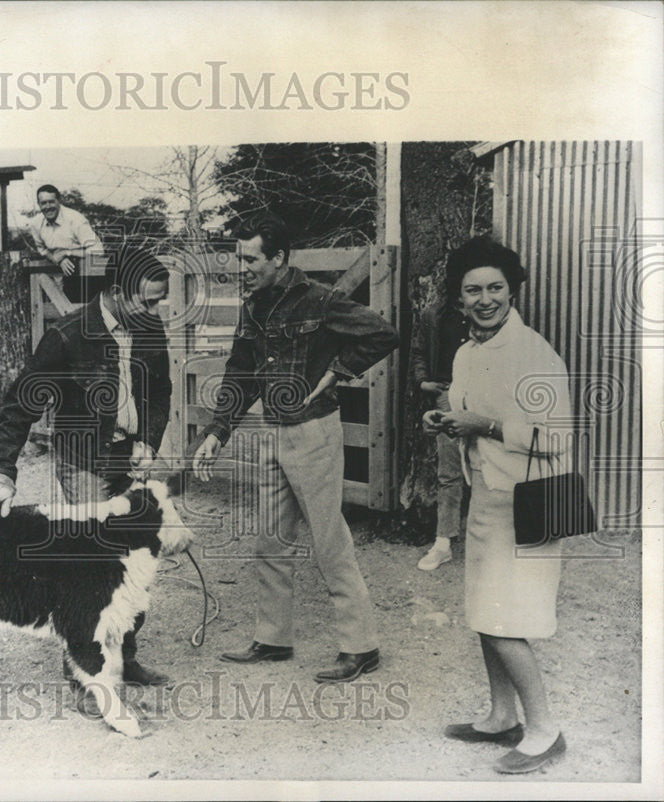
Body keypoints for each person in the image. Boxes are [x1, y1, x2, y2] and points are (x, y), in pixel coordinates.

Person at [192, 214, 399, 683]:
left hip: (314, 433)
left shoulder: (320, 300)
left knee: (329, 542)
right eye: (238, 257)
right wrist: (216, 431)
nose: (242, 267)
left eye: (250, 259)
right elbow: (240, 373)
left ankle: (360, 646)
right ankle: (273, 638)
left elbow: (383, 334)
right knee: (270, 539)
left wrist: (338, 371)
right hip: (271, 432)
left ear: (279, 258)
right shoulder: (253, 307)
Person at [0, 245, 172, 697]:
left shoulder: (150, 330)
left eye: (160, 301)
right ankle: (85, 676)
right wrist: (2, 473)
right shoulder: (66, 336)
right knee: (93, 568)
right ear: (117, 292)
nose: (157, 311)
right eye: (149, 301)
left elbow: (160, 393)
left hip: (129, 461)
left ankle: (126, 657)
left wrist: (149, 441)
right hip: (84, 463)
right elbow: (21, 404)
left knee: (134, 558)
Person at [424, 236, 570, 774]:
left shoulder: (533, 352)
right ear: (459, 299)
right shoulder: (468, 351)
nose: (484, 299)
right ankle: (501, 716)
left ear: (513, 292)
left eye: (495, 288)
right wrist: (444, 420)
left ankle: (544, 730)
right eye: (472, 291)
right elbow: (466, 411)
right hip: (486, 494)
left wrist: (482, 425)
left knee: (506, 621)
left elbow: (556, 436)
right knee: (486, 613)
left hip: (528, 500)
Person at [410, 278, 470, 570]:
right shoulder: (433, 315)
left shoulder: (486, 312)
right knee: (449, 471)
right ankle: (444, 542)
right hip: (446, 394)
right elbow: (419, 350)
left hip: (485, 393)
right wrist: (423, 382)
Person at [28, 184, 103, 299]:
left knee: (82, 312)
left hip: (83, 277)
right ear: (39, 204)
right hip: (55, 277)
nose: (48, 207)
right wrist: (58, 259)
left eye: (51, 202)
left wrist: (67, 253)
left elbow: (97, 250)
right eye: (43, 203)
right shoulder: (36, 224)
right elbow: (42, 249)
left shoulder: (75, 219)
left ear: (59, 201)